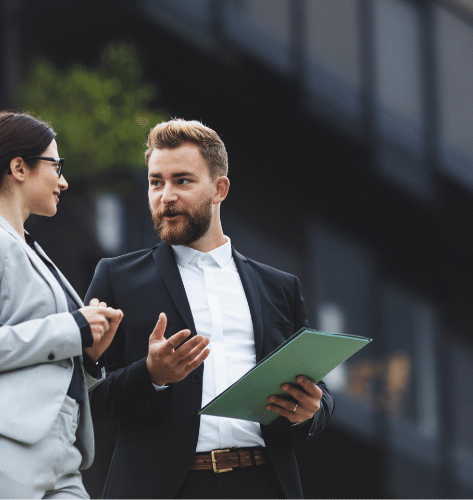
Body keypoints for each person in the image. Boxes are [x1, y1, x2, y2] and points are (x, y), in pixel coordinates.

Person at [86, 118, 333, 498]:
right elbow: (85, 393)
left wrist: (311, 410)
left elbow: (318, 390)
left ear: (219, 189)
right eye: (156, 182)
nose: (165, 195)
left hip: (262, 484)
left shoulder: (280, 288)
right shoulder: (116, 278)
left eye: (182, 181)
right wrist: (150, 374)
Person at [0, 111, 124, 498]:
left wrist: (87, 356)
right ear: (19, 167)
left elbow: (47, 369)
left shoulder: (33, 251)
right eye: (56, 166)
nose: (64, 180)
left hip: (63, 460)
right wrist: (73, 328)